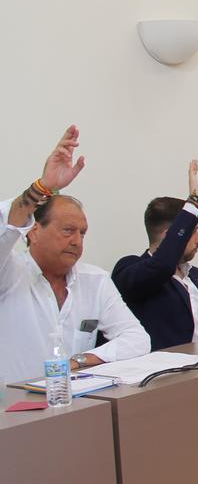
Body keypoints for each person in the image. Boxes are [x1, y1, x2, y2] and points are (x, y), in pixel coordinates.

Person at [1, 126, 150, 383]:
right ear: (34, 231)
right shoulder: (10, 272)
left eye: (83, 233)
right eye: (68, 231)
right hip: (15, 412)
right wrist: (42, 187)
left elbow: (137, 339)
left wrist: (78, 361)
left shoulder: (95, 280)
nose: (77, 241)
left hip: (79, 406)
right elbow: (7, 230)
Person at [111, 160, 198, 350]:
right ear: (170, 236)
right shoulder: (130, 268)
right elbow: (161, 266)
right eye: (193, 231)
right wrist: (193, 205)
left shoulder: (196, 275)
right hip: (167, 374)